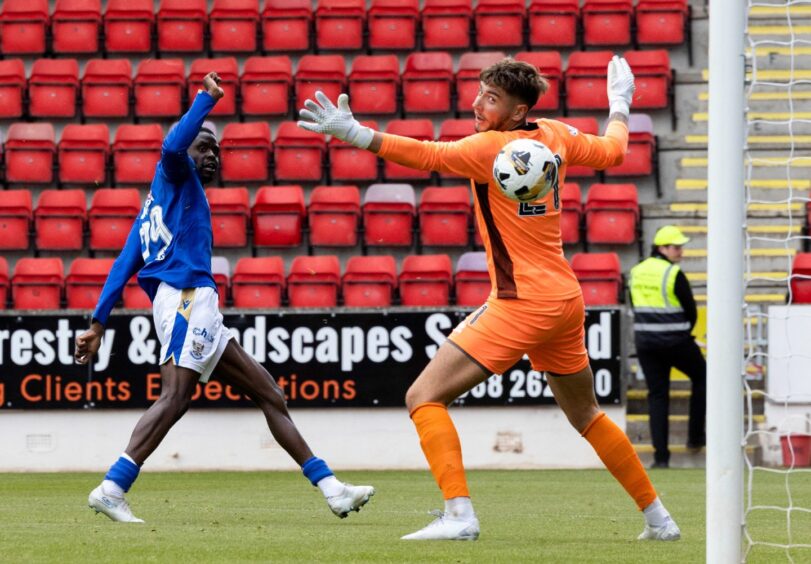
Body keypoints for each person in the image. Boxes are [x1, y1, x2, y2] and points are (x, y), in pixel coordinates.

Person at [297, 56, 680, 542]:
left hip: (521, 301)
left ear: (518, 112)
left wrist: (354, 133)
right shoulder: (555, 135)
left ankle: (458, 515)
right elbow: (614, 152)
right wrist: (620, 103)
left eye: (491, 99)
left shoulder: (489, 149)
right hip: (564, 298)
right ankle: (659, 521)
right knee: (587, 414)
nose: (477, 104)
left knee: (422, 397)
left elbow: (426, 155)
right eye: (479, 93)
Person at [76, 71, 374, 524]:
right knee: (176, 397)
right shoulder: (174, 174)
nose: (211, 154)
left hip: (196, 306)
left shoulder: (155, 208)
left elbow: (122, 265)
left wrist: (98, 323)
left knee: (269, 393)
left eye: (216, 149)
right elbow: (172, 148)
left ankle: (332, 489)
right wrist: (205, 101)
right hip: (185, 300)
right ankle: (113, 486)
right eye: (204, 146)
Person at [629, 225, 707, 469]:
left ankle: (661, 458)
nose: (680, 252)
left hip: (646, 342)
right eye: (676, 247)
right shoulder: (673, 273)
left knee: (657, 395)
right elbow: (691, 310)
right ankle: (695, 438)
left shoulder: (636, 271)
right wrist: (685, 333)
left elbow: (634, 304)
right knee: (703, 378)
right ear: (661, 248)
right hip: (676, 342)